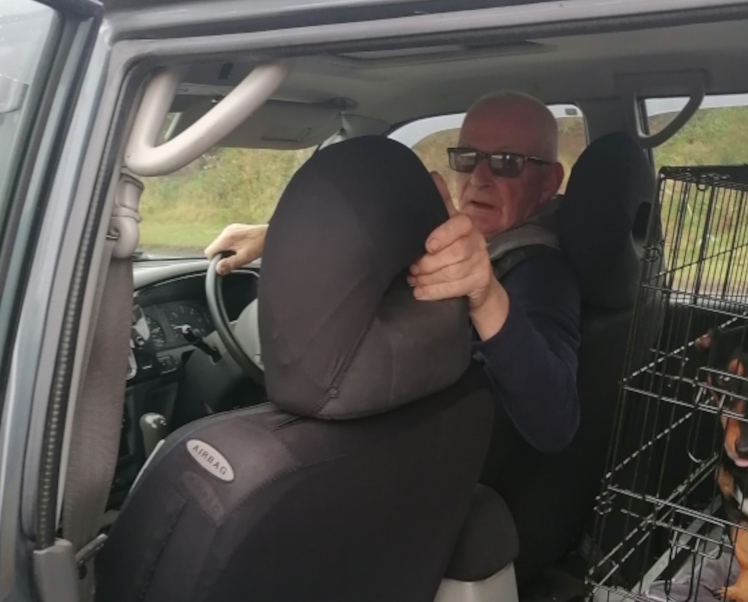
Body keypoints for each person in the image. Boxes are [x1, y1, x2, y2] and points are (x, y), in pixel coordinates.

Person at [204, 92, 580, 452]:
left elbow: (556, 424)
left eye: (507, 162)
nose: (479, 178)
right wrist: (285, 236)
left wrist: (486, 296)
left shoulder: (540, 271)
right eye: (467, 157)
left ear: (548, 183)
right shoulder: (456, 239)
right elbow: (377, 241)